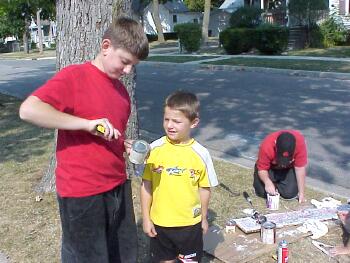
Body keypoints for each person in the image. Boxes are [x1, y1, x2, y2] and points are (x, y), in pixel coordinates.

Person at [19, 17, 149, 262]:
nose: (128, 71)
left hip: (118, 185)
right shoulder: (74, 77)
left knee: (123, 254)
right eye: (125, 62)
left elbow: (107, 134)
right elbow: (28, 110)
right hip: (82, 193)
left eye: (133, 65)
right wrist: (86, 124)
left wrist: (124, 144)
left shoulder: (121, 91)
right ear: (106, 46)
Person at [140, 91, 218, 263]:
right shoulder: (154, 149)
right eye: (166, 119)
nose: (170, 125)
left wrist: (203, 218)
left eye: (177, 121)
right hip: (160, 222)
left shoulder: (201, 154)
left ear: (194, 123)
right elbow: (146, 186)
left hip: (189, 225)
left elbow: (204, 188)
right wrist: (146, 218)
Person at [253, 130, 307, 203]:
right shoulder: (267, 145)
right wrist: (267, 182)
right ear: (276, 145)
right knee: (262, 192)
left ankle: (278, 184)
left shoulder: (299, 143)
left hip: (288, 169)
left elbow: (300, 168)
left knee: (289, 194)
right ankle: (272, 183)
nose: (282, 163)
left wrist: (301, 193)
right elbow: (262, 169)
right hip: (270, 168)